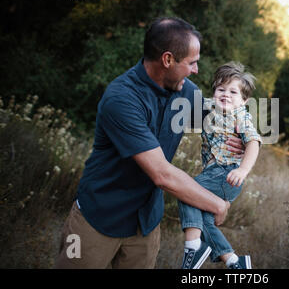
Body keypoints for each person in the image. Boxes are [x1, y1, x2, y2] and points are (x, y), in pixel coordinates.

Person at [54, 17, 244, 269]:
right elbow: (162, 174)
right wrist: (216, 204)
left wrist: (242, 138)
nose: (196, 70)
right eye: (192, 63)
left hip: (145, 224)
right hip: (98, 220)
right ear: (167, 60)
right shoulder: (122, 99)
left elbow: (218, 120)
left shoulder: (185, 91)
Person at [178, 61, 261, 269]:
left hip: (226, 174)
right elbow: (187, 98)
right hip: (216, 176)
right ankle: (234, 261)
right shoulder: (210, 106)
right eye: (221, 89)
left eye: (233, 92)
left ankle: (194, 246)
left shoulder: (240, 116)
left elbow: (253, 142)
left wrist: (243, 169)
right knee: (205, 219)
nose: (225, 94)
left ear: (244, 100)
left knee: (186, 191)